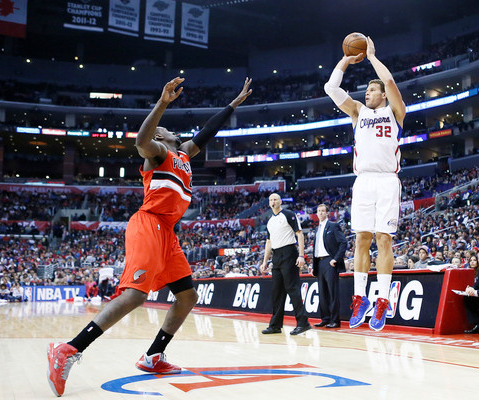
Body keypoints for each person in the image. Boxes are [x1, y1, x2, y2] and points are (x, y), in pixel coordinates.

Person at [46, 77, 253, 397]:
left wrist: (231, 106)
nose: (172, 130)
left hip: (167, 232)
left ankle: (153, 355)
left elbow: (207, 132)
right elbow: (141, 140)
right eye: (166, 128)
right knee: (135, 295)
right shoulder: (156, 152)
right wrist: (162, 104)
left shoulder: (184, 153)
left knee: (187, 296)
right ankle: (68, 349)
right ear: (160, 135)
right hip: (148, 224)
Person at [324, 36, 406, 331]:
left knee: (384, 239)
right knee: (361, 239)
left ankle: (382, 299)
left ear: (383, 95)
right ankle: (361, 298)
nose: (367, 93)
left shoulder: (394, 112)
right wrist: (346, 60)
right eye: (367, 90)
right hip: (363, 180)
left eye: (372, 90)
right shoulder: (357, 111)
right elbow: (331, 88)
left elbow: (390, 81)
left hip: (387, 180)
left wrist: (371, 56)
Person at [259, 193, 312, 335]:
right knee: (276, 291)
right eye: (271, 200)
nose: (273, 202)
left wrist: (301, 255)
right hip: (276, 255)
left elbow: (299, 234)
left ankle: (303, 323)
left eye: (275, 199)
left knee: (292, 289)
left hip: (289, 252)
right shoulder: (270, 221)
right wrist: (265, 261)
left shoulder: (288, 215)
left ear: (280, 201)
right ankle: (275, 325)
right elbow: (268, 242)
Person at [311, 204, 347, 329]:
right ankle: (325, 319)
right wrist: (314, 265)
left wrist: (335, 259)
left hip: (329, 261)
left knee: (332, 293)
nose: (320, 213)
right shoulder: (317, 229)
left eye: (323, 211)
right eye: (318, 211)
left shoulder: (333, 226)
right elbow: (316, 249)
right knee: (322, 293)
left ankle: (335, 320)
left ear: (327, 213)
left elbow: (343, 242)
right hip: (319, 262)